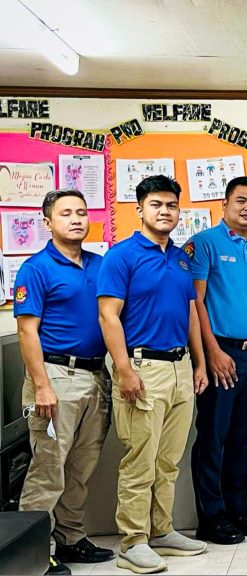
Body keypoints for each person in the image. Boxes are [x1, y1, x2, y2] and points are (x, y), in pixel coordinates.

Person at [97, 175, 209, 574]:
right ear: (140, 209)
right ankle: (133, 541)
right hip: (142, 366)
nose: (165, 212)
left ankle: (162, 530)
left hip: (180, 369)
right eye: (157, 205)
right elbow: (108, 315)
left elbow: (192, 312)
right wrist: (123, 369)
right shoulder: (121, 256)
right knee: (140, 459)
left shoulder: (181, 257)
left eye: (171, 206)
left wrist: (199, 363)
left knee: (168, 459)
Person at [15, 190, 113, 575]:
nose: (76, 218)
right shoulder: (36, 268)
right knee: (49, 467)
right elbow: (26, 332)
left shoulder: (100, 265)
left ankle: (71, 538)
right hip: (55, 375)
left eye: (81, 211)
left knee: (82, 466)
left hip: (95, 375)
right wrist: (41, 385)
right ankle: (35, 550)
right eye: (66, 213)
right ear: (47, 221)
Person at [186, 176, 247, 545]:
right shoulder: (203, 244)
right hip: (221, 352)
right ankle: (212, 516)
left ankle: (238, 508)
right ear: (224, 204)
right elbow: (195, 303)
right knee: (213, 436)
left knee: (246, 437)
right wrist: (212, 353)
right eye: (241, 200)